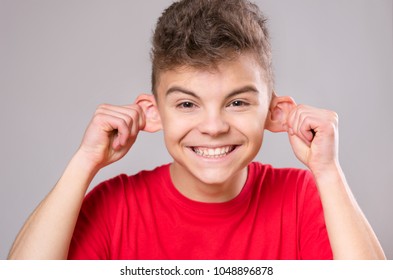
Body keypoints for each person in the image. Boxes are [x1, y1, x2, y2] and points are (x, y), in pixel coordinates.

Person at [8, 0, 385, 260]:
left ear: (274, 112)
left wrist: (328, 171)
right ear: (153, 114)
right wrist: (84, 161)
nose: (214, 127)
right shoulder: (115, 207)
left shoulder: (306, 199)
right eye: (187, 104)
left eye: (237, 102)